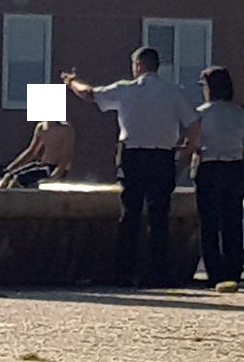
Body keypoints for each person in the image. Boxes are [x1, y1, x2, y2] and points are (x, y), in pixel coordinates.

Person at [63, 47, 200, 287]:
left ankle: (125, 272)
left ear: (138, 65)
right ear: (158, 66)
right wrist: (186, 148)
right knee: (159, 216)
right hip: (162, 156)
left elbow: (90, 94)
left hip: (132, 156)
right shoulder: (174, 92)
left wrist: (72, 81)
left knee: (130, 214)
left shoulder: (126, 89)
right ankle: (159, 273)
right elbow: (194, 123)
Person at [192, 66, 244, 287]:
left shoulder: (201, 113)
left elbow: (195, 145)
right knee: (232, 223)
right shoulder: (242, 113)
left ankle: (214, 272)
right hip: (234, 168)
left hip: (209, 168)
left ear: (209, 87)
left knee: (209, 223)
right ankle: (233, 270)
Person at [0, 120, 75, 189]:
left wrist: (55, 174)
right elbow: (31, 152)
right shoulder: (41, 127)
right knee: (8, 177)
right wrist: (10, 168)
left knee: (18, 179)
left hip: (52, 168)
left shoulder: (65, 129)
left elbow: (67, 155)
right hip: (42, 164)